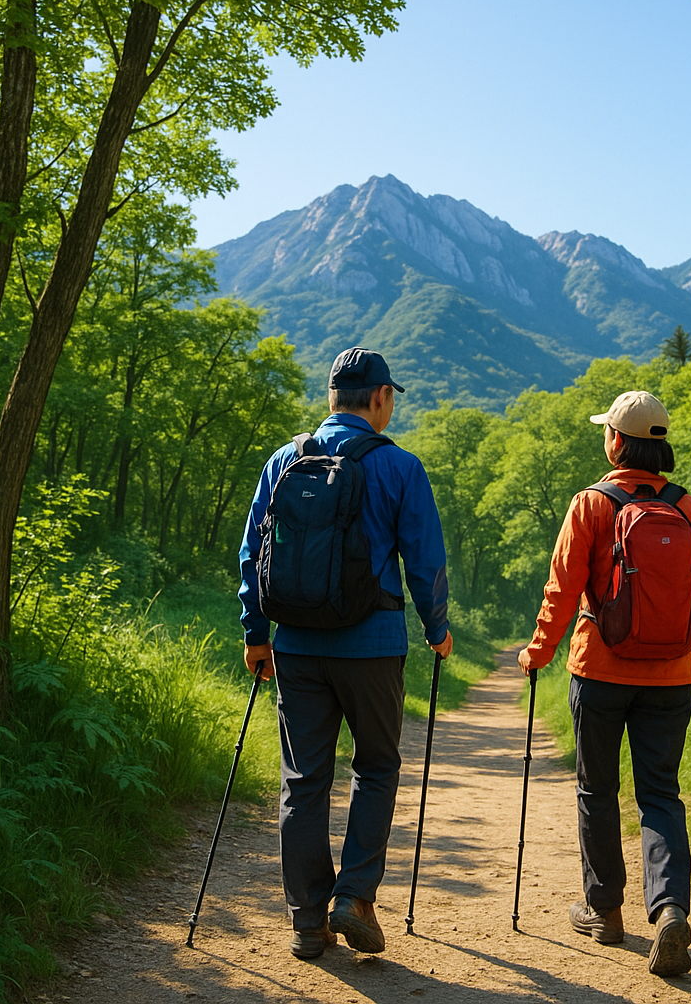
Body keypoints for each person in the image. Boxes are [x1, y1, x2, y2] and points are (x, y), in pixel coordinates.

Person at [238, 346, 452, 961]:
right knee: (377, 767)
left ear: (332, 396)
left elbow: (254, 552)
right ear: (381, 398)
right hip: (374, 644)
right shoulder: (401, 466)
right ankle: (354, 898)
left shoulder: (284, 459)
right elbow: (425, 559)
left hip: (297, 646)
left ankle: (308, 921)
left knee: (303, 780)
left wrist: (256, 633)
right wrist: (437, 627)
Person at [518, 390, 691, 977]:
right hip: (672, 680)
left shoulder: (592, 504)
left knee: (597, 790)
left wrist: (538, 653)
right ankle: (670, 912)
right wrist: (690, 651)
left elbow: (562, 588)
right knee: (660, 793)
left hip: (600, 671)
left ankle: (604, 910)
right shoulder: (689, 509)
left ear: (615, 441)